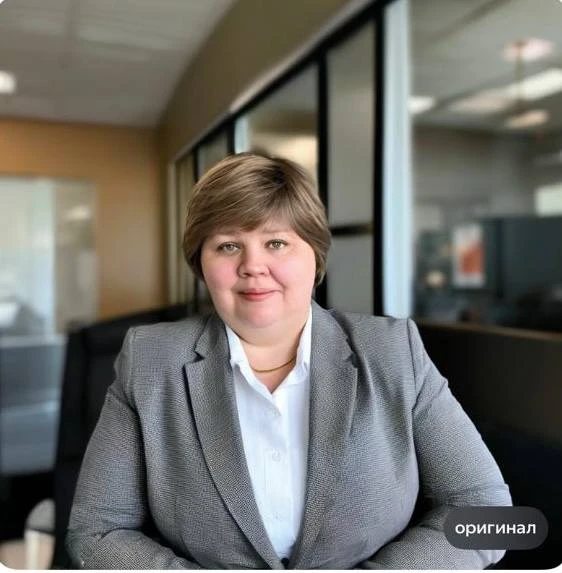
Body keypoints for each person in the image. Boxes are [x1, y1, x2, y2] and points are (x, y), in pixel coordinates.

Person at [67, 152, 511, 569]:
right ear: (201, 264)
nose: (253, 266)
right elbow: (97, 531)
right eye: (228, 246)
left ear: (315, 256)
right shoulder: (150, 360)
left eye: (276, 242)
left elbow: (490, 514)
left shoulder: (392, 351)